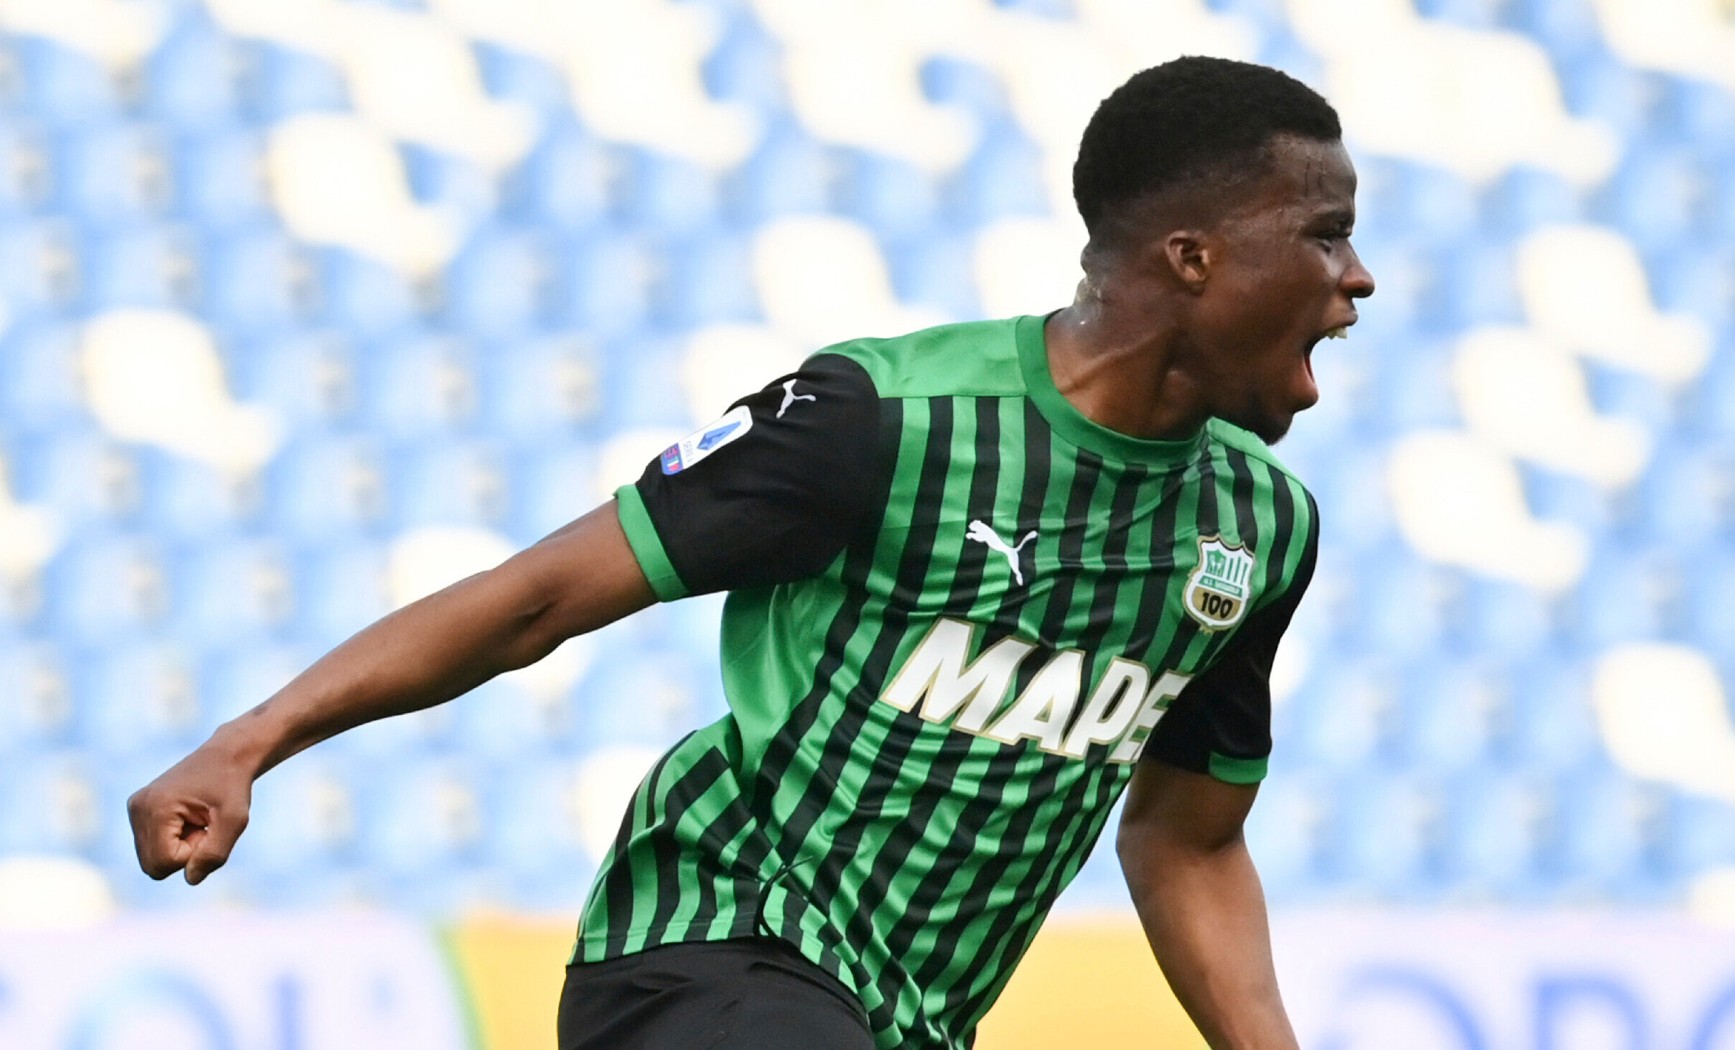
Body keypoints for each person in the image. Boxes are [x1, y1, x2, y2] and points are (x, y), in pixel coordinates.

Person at [129, 55, 1373, 1050]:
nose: (1356, 277)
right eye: (1325, 234)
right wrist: (250, 742)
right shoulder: (882, 421)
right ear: (1196, 258)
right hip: (713, 950)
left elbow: (1187, 838)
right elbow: (540, 599)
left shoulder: (1258, 532)